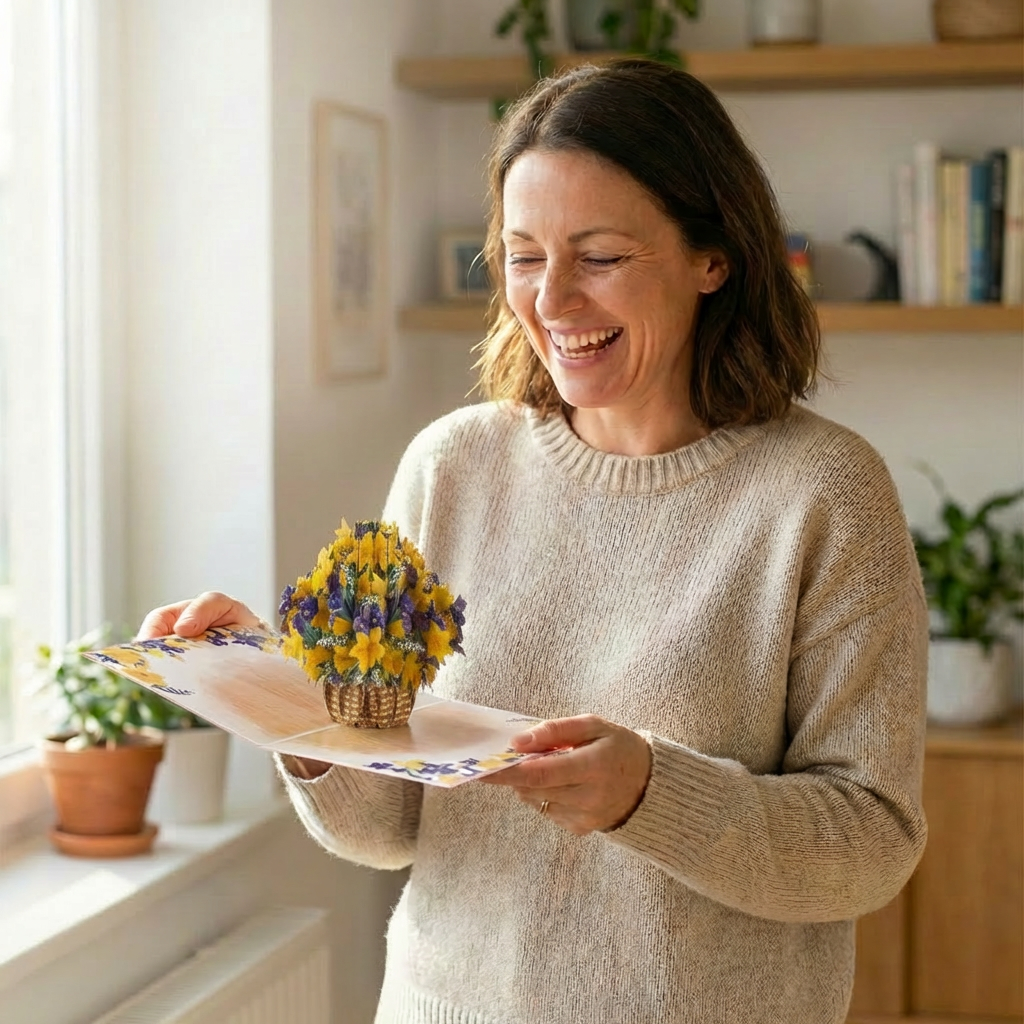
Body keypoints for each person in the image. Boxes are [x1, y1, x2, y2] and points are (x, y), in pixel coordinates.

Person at [139, 59, 928, 1024]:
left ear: (713, 258)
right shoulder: (452, 466)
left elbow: (871, 843)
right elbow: (387, 830)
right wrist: (296, 710)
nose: (552, 299)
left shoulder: (826, 494)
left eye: (600, 257)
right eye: (522, 256)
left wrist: (652, 795)